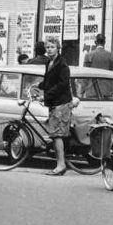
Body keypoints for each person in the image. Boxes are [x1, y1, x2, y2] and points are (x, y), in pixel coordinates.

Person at [33, 36, 79, 176]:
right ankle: (60, 163)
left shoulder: (62, 63)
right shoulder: (50, 62)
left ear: (58, 48)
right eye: (47, 47)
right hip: (54, 103)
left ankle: (61, 165)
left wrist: (46, 95)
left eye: (52, 47)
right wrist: (38, 85)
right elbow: (49, 80)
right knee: (55, 134)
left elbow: (62, 84)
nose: (49, 49)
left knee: (57, 134)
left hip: (61, 102)